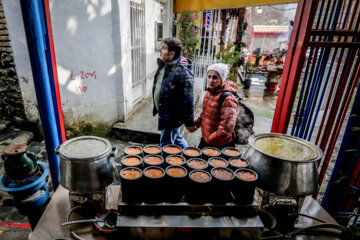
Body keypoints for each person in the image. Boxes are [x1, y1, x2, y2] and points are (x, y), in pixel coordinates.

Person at [152, 37, 195, 148]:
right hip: (165, 112)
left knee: (166, 145)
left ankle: (167, 164)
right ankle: (191, 156)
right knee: (176, 138)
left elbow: (188, 98)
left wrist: (189, 122)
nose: (160, 49)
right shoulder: (166, 65)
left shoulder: (182, 72)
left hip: (172, 117)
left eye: (164, 48)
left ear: (171, 53)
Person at [187, 63, 239, 149]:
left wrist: (209, 140)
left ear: (222, 79)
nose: (211, 80)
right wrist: (195, 125)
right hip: (207, 140)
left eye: (215, 77)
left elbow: (226, 129)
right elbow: (206, 113)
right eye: (209, 76)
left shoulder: (228, 99)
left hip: (219, 145)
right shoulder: (209, 92)